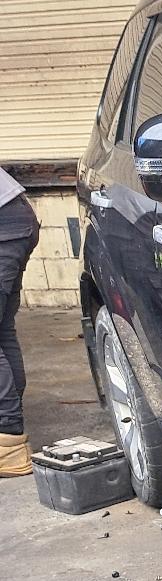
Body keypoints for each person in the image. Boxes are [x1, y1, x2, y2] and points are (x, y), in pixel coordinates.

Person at [0, 166, 40, 477]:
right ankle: (10, 433)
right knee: (3, 331)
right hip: (16, 214)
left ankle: (8, 443)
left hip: (4, 225)